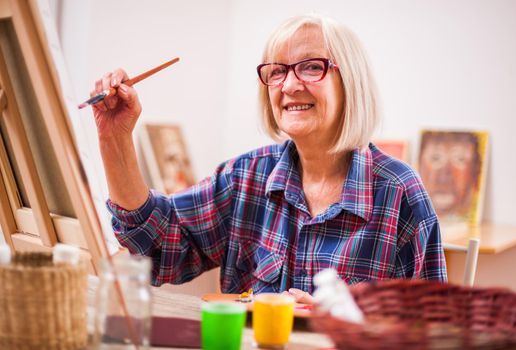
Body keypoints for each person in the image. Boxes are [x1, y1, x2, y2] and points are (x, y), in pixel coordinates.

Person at [92, 14, 447, 304]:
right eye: (277, 71)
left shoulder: (399, 193)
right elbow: (159, 247)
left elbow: (434, 331)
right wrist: (115, 138)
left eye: (310, 67)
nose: (289, 85)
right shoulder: (244, 177)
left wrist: (348, 323)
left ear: (350, 80)